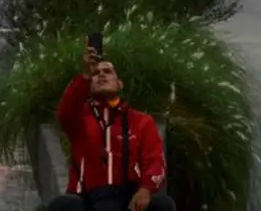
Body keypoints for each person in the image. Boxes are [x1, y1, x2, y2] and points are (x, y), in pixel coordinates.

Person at [48, 42, 174, 211]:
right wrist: (85, 74)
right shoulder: (80, 118)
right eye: (96, 73)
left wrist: (146, 189)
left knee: (163, 204)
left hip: (129, 198)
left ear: (119, 84)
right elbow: (65, 112)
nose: (101, 75)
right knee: (63, 205)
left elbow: (155, 160)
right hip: (88, 199)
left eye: (108, 72)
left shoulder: (142, 121)